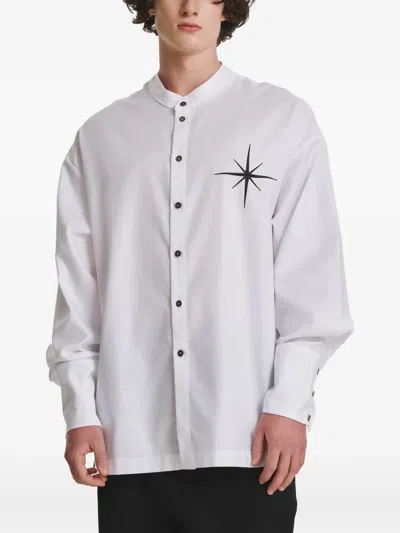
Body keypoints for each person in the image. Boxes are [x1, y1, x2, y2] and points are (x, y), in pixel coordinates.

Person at [45, 1, 354, 531]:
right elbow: (79, 291)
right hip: (130, 442)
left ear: (227, 8)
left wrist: (289, 403)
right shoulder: (99, 138)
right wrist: (80, 411)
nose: (190, 6)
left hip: (250, 438)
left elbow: (312, 281)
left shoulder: (282, 120)